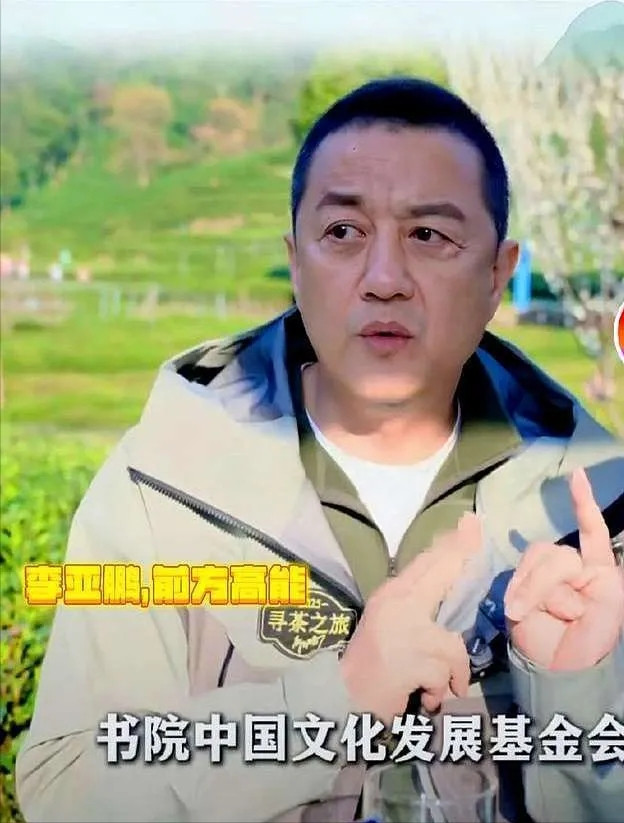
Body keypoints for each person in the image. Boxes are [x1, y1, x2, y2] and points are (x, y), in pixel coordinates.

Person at [16, 77, 624, 823]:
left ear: (497, 274)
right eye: (342, 232)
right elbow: (67, 790)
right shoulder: (159, 488)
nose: (384, 280)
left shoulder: (598, 512)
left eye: (429, 236)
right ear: (296, 260)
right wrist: (336, 702)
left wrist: (576, 696)